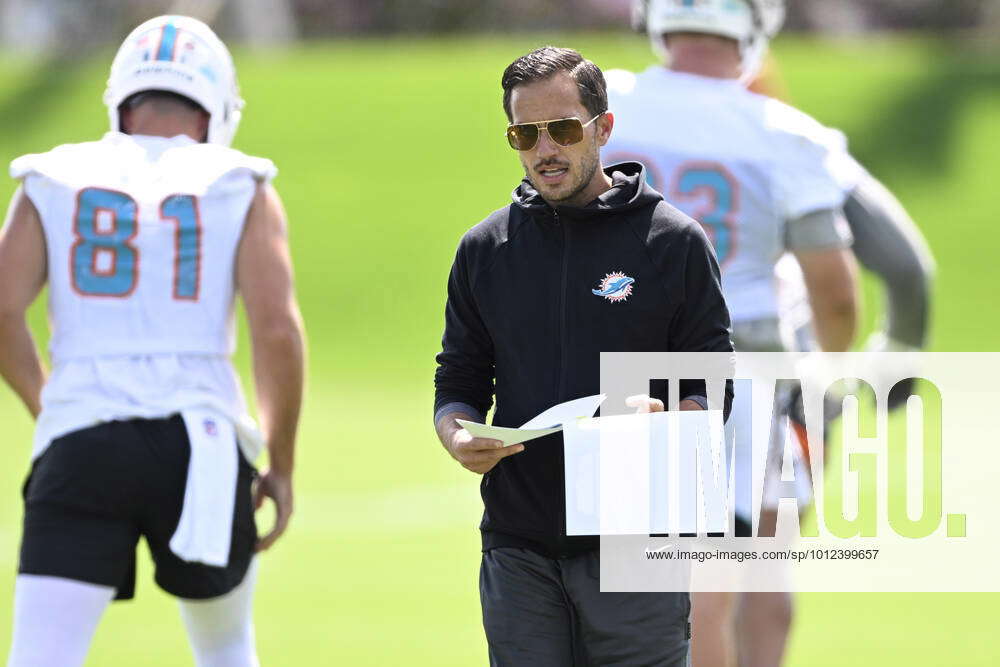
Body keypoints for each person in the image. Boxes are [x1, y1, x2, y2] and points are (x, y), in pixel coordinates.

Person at [605, 1, 933, 666]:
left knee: (655, 588)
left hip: (616, 371)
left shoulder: (604, 106)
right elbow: (860, 284)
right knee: (750, 569)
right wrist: (831, 375)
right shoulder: (786, 134)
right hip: (746, 369)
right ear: (755, 27)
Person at [0, 15, 305, 667]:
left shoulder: (52, 175)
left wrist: (52, 405)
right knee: (225, 647)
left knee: (40, 655)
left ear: (121, 101)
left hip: (82, 434)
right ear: (214, 109)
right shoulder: (240, 181)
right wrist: (279, 459)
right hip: (200, 442)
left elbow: (2, 307)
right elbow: (276, 328)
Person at [433, 45, 735, 666]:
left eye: (564, 129)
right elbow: (458, 377)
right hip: (518, 546)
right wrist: (455, 435)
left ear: (603, 127)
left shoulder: (671, 240)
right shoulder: (485, 249)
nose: (545, 149)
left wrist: (674, 418)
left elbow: (713, 376)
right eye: (525, 133)